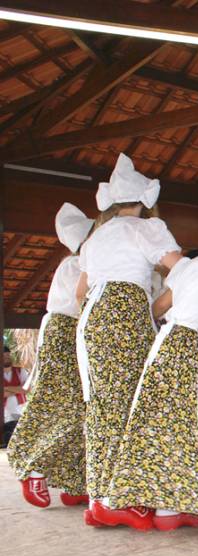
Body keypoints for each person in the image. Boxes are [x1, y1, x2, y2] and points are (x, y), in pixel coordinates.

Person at [105, 207, 198, 535]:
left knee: (166, 426)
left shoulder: (195, 265)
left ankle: (168, 509)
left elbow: (159, 307)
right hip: (194, 346)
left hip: (166, 344)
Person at [76, 153, 183, 530]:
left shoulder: (96, 237)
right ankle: (118, 499)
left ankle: (99, 498)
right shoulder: (146, 228)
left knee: (102, 404)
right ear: (143, 200)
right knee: (131, 401)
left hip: (93, 318)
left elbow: (80, 293)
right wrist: (155, 307)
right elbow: (181, 269)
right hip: (125, 313)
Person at [8, 203, 93, 508]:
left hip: (68, 331)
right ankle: (33, 466)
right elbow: (84, 298)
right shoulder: (77, 264)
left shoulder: (74, 263)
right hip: (66, 331)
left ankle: (75, 481)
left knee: (78, 408)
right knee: (64, 407)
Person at [3, 346, 28, 449]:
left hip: (19, 412)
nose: (7, 358)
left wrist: (5, 388)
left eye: (8, 356)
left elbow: (25, 389)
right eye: (4, 356)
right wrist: (17, 389)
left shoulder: (20, 371)